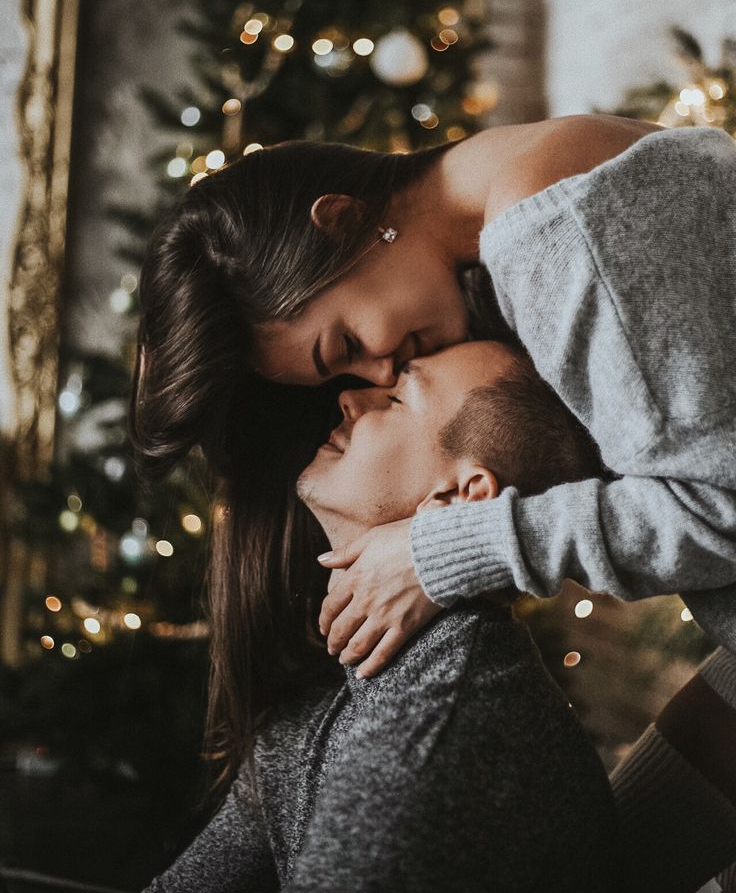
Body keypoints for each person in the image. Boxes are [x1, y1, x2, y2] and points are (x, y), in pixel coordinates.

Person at [139, 341, 621, 892]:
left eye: (394, 398)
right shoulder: (319, 712)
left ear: (460, 497)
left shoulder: (437, 743)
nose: (348, 398)